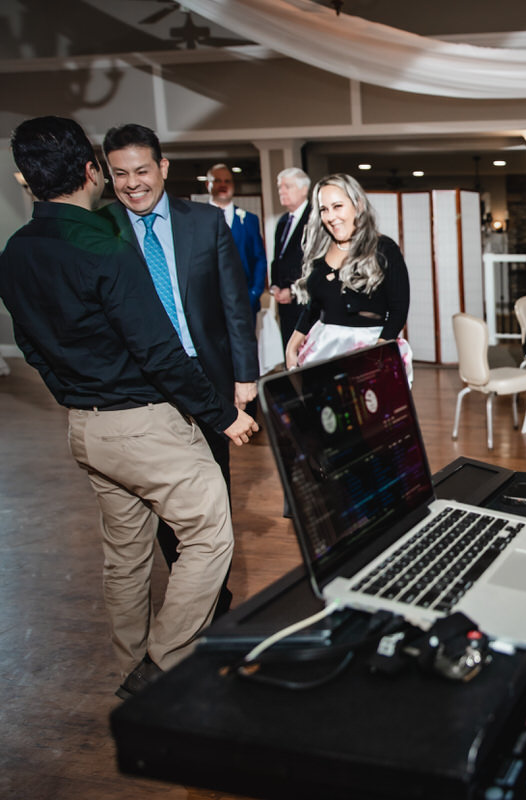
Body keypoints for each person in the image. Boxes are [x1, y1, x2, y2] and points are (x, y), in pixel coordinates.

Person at [0, 116, 258, 697]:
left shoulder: (14, 251)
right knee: (211, 531)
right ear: (93, 171)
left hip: (86, 430)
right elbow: (159, 353)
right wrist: (223, 415)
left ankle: (129, 662)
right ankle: (164, 665)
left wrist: (74, 393)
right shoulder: (107, 246)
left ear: (26, 181)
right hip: (145, 425)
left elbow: (31, 346)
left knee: (126, 553)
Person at [101, 123, 259, 617]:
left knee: (214, 498)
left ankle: (216, 600)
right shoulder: (101, 229)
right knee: (170, 511)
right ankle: (201, 605)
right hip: (141, 389)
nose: (133, 183)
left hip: (208, 379)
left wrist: (244, 375)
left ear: (163, 168)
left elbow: (235, 305)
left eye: (142, 170)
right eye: (120, 173)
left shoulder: (206, 223)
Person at [286, 173, 411, 370]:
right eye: (324, 210)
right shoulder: (320, 253)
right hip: (323, 350)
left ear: (358, 205)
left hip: (371, 349)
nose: (331, 216)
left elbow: (398, 311)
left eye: (337, 206)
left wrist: (377, 354)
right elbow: (312, 310)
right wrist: (291, 348)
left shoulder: (384, 249)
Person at [207, 163, 268, 314]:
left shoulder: (249, 220)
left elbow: (259, 258)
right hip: (209, 305)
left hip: (245, 302)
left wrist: (254, 293)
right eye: (218, 181)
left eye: (227, 181)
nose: (223, 185)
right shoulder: (196, 220)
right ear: (208, 184)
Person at [269, 167, 312, 350]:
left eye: (287, 186)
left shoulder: (315, 219)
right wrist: (276, 285)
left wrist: (293, 291)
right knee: (290, 354)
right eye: (280, 187)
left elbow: (312, 263)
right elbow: (277, 259)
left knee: (306, 355)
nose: (282, 191)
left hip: (305, 302)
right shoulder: (283, 221)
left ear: (304, 189)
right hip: (284, 305)